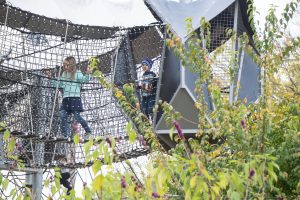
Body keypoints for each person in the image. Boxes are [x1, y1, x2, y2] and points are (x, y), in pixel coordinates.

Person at [48, 56, 92, 139]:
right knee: (62, 115)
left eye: (67, 65)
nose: (65, 67)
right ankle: (65, 134)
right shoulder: (64, 74)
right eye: (64, 65)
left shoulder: (77, 73)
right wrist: (51, 79)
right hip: (66, 99)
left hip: (75, 98)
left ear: (72, 65)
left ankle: (88, 131)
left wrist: (88, 73)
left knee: (77, 116)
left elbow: (84, 80)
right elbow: (59, 84)